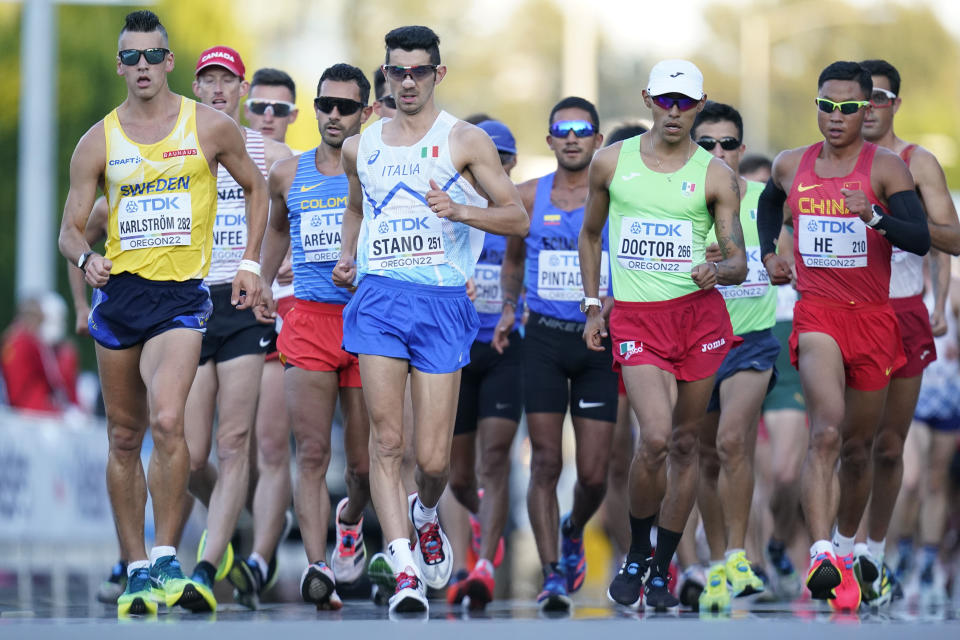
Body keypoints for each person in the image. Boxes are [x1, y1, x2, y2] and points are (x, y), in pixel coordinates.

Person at [57, 10, 266, 616]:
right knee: (124, 435)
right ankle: (138, 567)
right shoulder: (98, 140)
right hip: (120, 297)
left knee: (169, 419)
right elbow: (69, 231)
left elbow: (254, 187)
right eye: (131, 58)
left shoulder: (209, 126)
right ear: (119, 64)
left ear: (169, 61)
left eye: (153, 56)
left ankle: (169, 547)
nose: (142, 67)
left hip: (181, 298)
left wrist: (251, 264)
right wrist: (86, 258)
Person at [331, 25, 528, 616]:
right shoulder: (359, 146)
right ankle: (405, 569)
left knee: (433, 460)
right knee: (386, 442)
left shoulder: (463, 140)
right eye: (397, 71)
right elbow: (355, 208)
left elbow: (516, 217)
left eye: (419, 70)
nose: (408, 81)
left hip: (443, 303)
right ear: (385, 75)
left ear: (438, 74)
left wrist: (461, 208)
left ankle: (425, 513)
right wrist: (348, 255)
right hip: (380, 299)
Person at [757, 60, 930, 611]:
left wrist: (876, 218)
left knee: (859, 450)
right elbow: (767, 205)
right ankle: (821, 552)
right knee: (826, 432)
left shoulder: (886, 169)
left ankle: (851, 550)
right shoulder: (791, 164)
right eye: (826, 106)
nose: (835, 117)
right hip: (819, 313)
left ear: (868, 109)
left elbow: (922, 239)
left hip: (876, 318)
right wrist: (768, 253)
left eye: (848, 108)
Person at [582, 59, 747, 612]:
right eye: (666, 100)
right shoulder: (610, 163)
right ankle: (635, 553)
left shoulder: (716, 176)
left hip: (697, 320)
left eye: (686, 103)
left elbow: (739, 261)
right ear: (650, 98)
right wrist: (591, 308)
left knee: (683, 444)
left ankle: (662, 566)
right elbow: (589, 235)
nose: (674, 111)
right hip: (637, 320)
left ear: (700, 106)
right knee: (653, 438)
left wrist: (717, 270)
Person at [248, 63, 375, 610]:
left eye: (347, 107)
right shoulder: (288, 173)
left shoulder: (377, 171)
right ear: (316, 108)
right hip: (307, 322)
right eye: (326, 104)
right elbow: (276, 229)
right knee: (313, 452)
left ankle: (351, 520)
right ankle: (319, 566)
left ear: (365, 113)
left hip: (370, 322)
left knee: (367, 463)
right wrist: (261, 281)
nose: (334, 116)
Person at [181, 45, 291, 604]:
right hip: (191, 302)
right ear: (197, 88)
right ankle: (221, 536)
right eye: (209, 80)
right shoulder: (179, 147)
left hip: (246, 302)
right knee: (190, 453)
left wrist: (283, 265)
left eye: (228, 80)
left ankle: (204, 568)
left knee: (235, 442)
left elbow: (307, 216)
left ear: (241, 90)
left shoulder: (273, 155)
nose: (219, 89)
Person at [854, 58, 960, 605]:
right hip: (837, 315)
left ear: (896, 104)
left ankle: (874, 555)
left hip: (901, 313)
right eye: (858, 98)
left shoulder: (919, 163)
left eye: (879, 97)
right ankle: (833, 549)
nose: (867, 108)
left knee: (891, 451)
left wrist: (893, 223)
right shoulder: (817, 164)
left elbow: (952, 240)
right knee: (838, 439)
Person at [510, 96, 617, 613]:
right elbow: (511, 256)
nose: (572, 137)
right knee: (546, 461)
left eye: (582, 129)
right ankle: (553, 574)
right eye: (562, 129)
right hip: (546, 340)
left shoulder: (616, 197)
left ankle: (574, 527)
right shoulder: (529, 197)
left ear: (598, 141)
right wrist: (510, 307)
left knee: (595, 474)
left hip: (599, 341)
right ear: (550, 140)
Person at [689, 101, 778, 611]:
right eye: (707, 145)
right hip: (700, 340)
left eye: (726, 144)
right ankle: (718, 558)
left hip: (753, 340)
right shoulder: (684, 199)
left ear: (742, 150)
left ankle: (740, 552)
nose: (718, 152)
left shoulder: (767, 199)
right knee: (704, 455)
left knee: (731, 443)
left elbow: (797, 240)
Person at [445, 118, 521, 609]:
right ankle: (476, 529)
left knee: (495, 460)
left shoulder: (519, 211)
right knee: (454, 475)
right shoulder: (449, 207)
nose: (494, 165)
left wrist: (514, 305)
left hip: (503, 351)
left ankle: (483, 564)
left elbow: (530, 269)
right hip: (453, 349)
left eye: (505, 159)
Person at [1, 295, 76, 414]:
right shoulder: (32, 342)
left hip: (14, 404)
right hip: (35, 407)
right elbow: (53, 378)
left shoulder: (10, 339)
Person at [245, 67, 299, 143]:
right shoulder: (228, 154)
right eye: (260, 107)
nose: (268, 119)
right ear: (246, 110)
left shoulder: (305, 155)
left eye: (279, 109)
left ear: (293, 115)